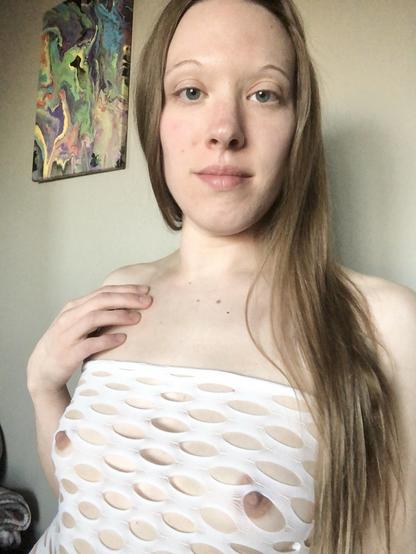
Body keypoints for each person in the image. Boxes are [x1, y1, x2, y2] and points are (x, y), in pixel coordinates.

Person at [27, 1, 415, 553]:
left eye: (264, 94)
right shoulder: (122, 288)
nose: (225, 130)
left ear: (298, 127)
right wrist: (44, 388)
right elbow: (83, 507)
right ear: (155, 119)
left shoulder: (383, 325)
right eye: (191, 91)